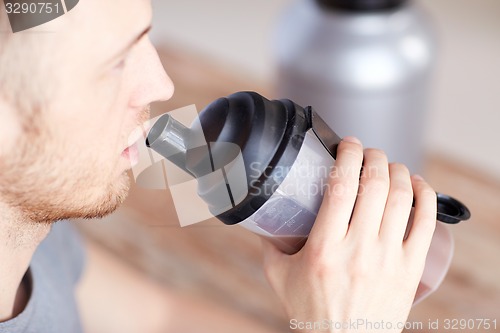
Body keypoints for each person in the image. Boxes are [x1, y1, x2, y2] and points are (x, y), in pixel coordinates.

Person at [0, 0, 437, 332]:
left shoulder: (35, 232)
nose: (160, 84)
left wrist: (328, 314)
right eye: (115, 64)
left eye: (145, 40)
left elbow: (157, 317)